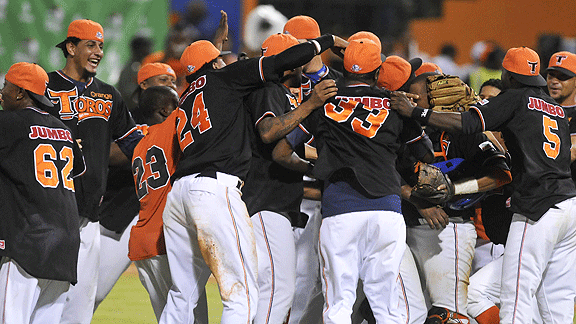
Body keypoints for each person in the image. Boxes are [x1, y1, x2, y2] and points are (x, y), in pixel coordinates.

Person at [160, 32, 347, 323]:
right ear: (217, 63)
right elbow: (280, 64)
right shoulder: (225, 79)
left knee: (182, 295)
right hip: (214, 189)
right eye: (221, 59)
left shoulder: (187, 96)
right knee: (242, 293)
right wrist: (326, 41)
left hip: (180, 193)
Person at [391, 46, 576, 324]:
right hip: (568, 206)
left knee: (516, 299)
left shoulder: (515, 97)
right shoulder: (558, 110)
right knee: (555, 302)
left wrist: (417, 113)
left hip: (538, 207)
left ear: (509, 76)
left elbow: (468, 124)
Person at [277, 38, 431, 323]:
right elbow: (426, 152)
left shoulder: (323, 99)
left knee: (338, 303)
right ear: (377, 71)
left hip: (340, 210)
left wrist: (318, 163)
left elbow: (282, 150)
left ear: (344, 68)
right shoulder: (394, 102)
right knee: (387, 305)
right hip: (386, 208)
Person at [41, 19, 143, 324]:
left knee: (80, 308)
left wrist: (97, 155)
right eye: (90, 45)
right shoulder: (44, 87)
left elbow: (132, 143)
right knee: (37, 301)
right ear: (71, 48)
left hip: (88, 217)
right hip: (45, 214)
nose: (98, 51)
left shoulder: (109, 96)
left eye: (100, 45)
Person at [400, 72, 511, 324]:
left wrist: (455, 189)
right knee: (408, 313)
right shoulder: (403, 130)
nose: (410, 99)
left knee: (448, 314)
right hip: (406, 226)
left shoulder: (466, 134)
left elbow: (502, 174)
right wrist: (417, 200)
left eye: (416, 95)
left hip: (450, 227)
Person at [243, 33, 338, 324]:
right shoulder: (269, 89)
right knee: (278, 288)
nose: (302, 63)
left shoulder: (277, 92)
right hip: (264, 205)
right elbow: (269, 133)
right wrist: (310, 105)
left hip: (269, 203)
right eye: (297, 58)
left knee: (267, 290)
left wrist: (314, 169)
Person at [0, 62, 84, 324]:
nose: (1, 92)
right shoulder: (64, 129)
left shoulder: (8, 123)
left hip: (28, 241)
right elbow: (79, 169)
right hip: (66, 244)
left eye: (5, 87)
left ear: (19, 93)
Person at [93, 62, 178, 310]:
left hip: (161, 215)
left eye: (173, 81)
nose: (171, 85)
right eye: (164, 80)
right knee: (95, 291)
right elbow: (105, 154)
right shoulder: (123, 118)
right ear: (144, 84)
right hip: (120, 212)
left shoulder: (177, 120)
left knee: (168, 292)